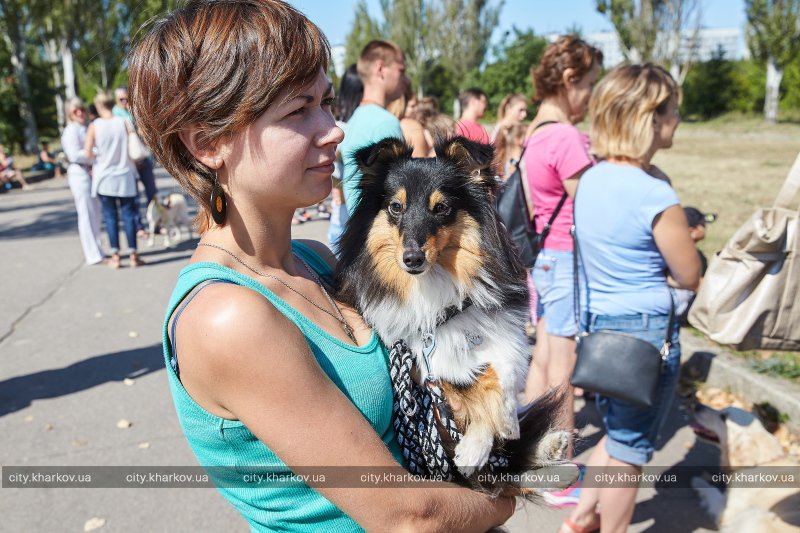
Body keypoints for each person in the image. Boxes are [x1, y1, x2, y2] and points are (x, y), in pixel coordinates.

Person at [127, 1, 515, 531]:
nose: (333, 130)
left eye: (328, 102)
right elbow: (409, 517)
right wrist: (516, 492)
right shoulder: (228, 318)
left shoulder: (317, 259)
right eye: (298, 110)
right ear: (209, 142)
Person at [564, 64, 701, 533]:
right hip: (646, 333)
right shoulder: (655, 193)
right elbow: (689, 274)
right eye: (672, 110)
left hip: (601, 329)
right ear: (650, 118)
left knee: (619, 433)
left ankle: (580, 517)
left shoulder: (593, 180)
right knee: (629, 452)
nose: (677, 119)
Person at [522, 35, 603, 469]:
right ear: (569, 79)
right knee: (564, 371)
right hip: (568, 260)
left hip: (544, 261)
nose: (590, 94)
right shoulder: (567, 137)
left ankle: (532, 453)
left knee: (543, 359)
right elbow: (591, 206)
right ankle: (560, 467)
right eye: (589, 83)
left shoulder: (535, 131)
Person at [340, 39, 408, 214]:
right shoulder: (385, 122)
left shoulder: (356, 117)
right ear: (381, 69)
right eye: (401, 70)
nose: (405, 80)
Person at [85, 92, 143, 269]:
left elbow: (87, 154)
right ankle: (133, 255)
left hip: (104, 177)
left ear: (98, 106)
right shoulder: (123, 122)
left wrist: (99, 152)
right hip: (125, 175)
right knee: (129, 216)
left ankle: (116, 257)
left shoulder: (95, 126)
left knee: (110, 218)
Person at [61, 97, 105, 265]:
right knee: (86, 214)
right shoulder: (71, 130)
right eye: (75, 111)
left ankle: (98, 248)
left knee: (95, 213)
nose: (80, 113)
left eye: (82, 109)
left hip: (90, 172)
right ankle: (92, 254)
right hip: (79, 172)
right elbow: (73, 154)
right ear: (70, 114)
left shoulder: (86, 127)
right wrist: (93, 151)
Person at [327, 63, 362, 255]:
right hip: (344, 220)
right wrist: (338, 186)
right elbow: (330, 162)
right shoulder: (343, 128)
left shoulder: (349, 125)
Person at [114, 85, 157, 236]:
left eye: (127, 98)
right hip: (128, 160)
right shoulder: (115, 115)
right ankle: (139, 226)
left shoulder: (135, 111)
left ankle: (156, 223)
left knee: (152, 192)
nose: (125, 101)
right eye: (121, 99)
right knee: (134, 196)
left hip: (143, 156)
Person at [673, 206, 714, 323]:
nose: (705, 228)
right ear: (691, 231)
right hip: (683, 312)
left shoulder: (668, 251)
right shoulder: (695, 256)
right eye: (702, 225)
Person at [387, 84, 431, 157]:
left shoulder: (383, 122)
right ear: (403, 103)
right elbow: (419, 161)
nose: (416, 109)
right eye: (412, 106)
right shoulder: (411, 126)